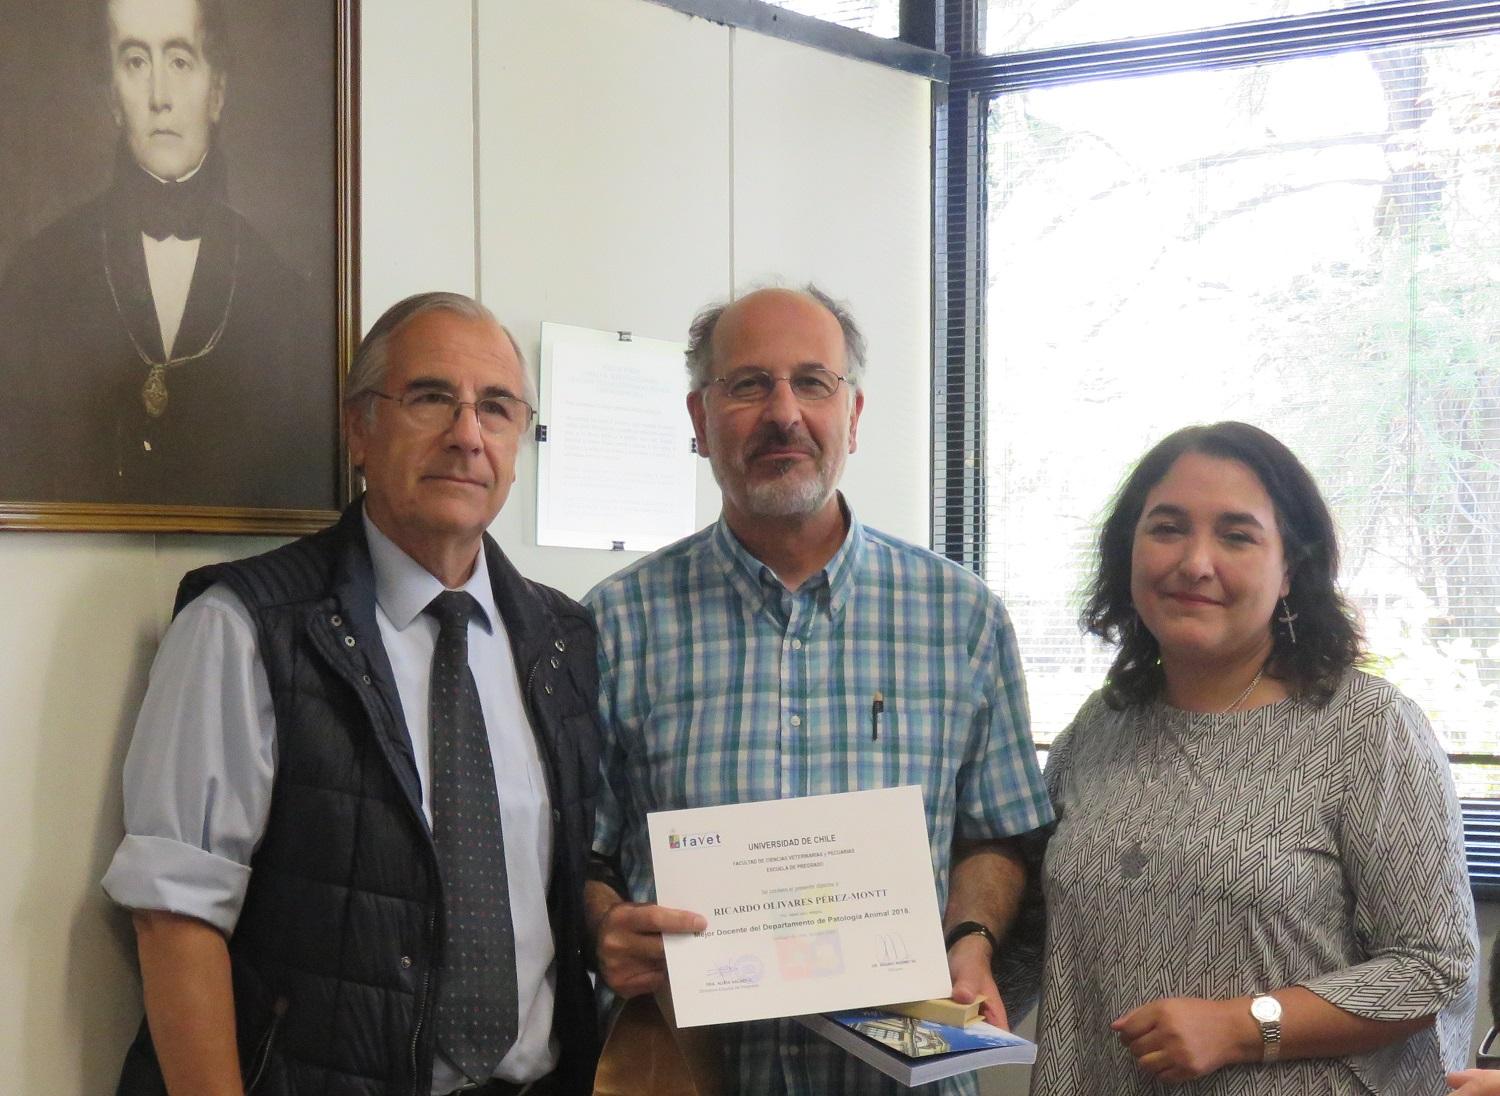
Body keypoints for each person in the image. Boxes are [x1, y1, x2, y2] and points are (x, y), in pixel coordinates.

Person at [102, 292, 602, 1095]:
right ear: (358, 429)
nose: (468, 435)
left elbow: (565, 877)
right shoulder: (245, 627)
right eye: (431, 397)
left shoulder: (563, 640)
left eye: (498, 408)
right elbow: (174, 916)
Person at [582, 285, 1053, 1095]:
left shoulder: (962, 617)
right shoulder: (614, 623)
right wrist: (604, 928)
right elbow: (586, 849)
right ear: (699, 419)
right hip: (692, 1073)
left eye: (813, 382)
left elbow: (999, 834)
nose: (783, 413)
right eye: (748, 385)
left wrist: (970, 937)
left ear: (855, 414)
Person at [1017, 421, 1476, 1094]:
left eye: (1236, 535)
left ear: (1290, 569)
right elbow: (1037, 935)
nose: (1195, 562)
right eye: (1168, 528)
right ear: (1129, 552)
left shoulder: (1367, 729)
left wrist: (1244, 1024)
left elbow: (1435, 966)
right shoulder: (1098, 727)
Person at [0, 0, 331, 508]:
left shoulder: (286, 297)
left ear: (217, 92)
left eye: (179, 61)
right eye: (135, 61)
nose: (160, 97)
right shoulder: (36, 277)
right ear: (112, 95)